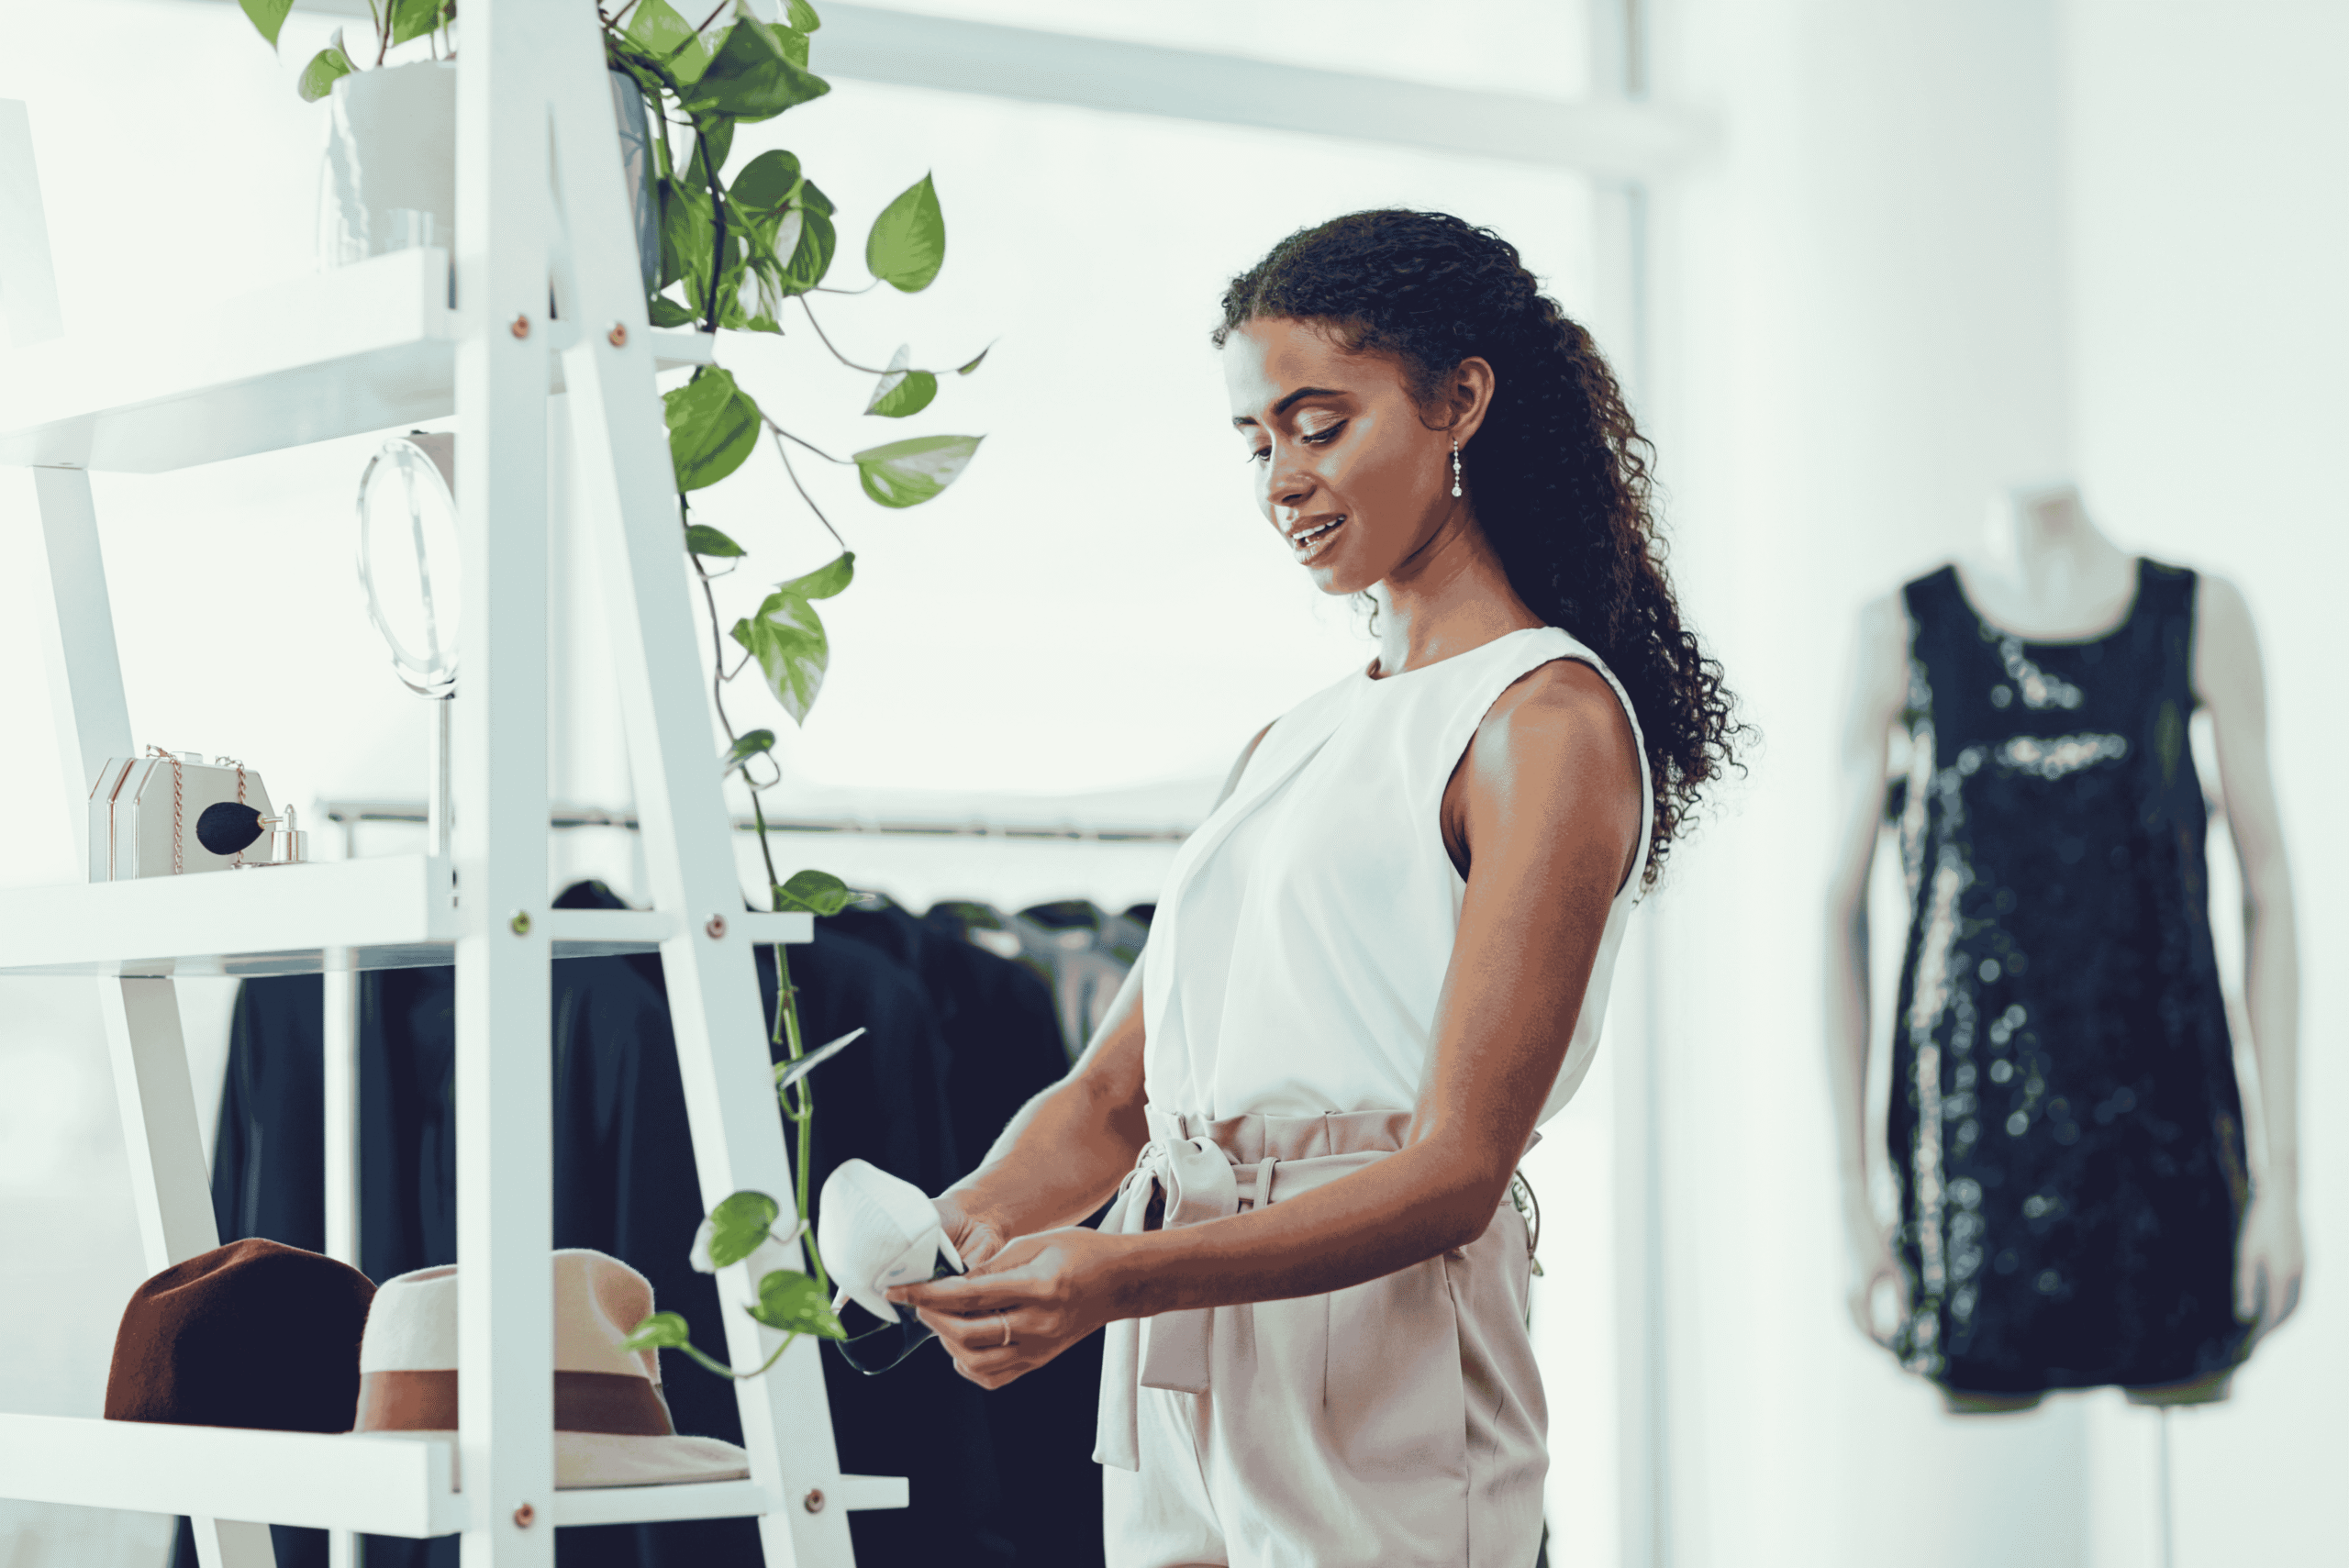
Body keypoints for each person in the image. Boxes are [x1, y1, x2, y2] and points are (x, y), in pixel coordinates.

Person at [890, 209, 1741, 1567]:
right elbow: (1115, 1097)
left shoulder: (1545, 721)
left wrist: (1115, 1276)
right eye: (1257, 441)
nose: (1282, 479)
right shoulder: (1288, 744)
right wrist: (951, 1233)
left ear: (1460, 400)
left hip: (1376, 1326)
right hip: (1180, 1338)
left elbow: (1456, 1172)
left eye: (1319, 423)